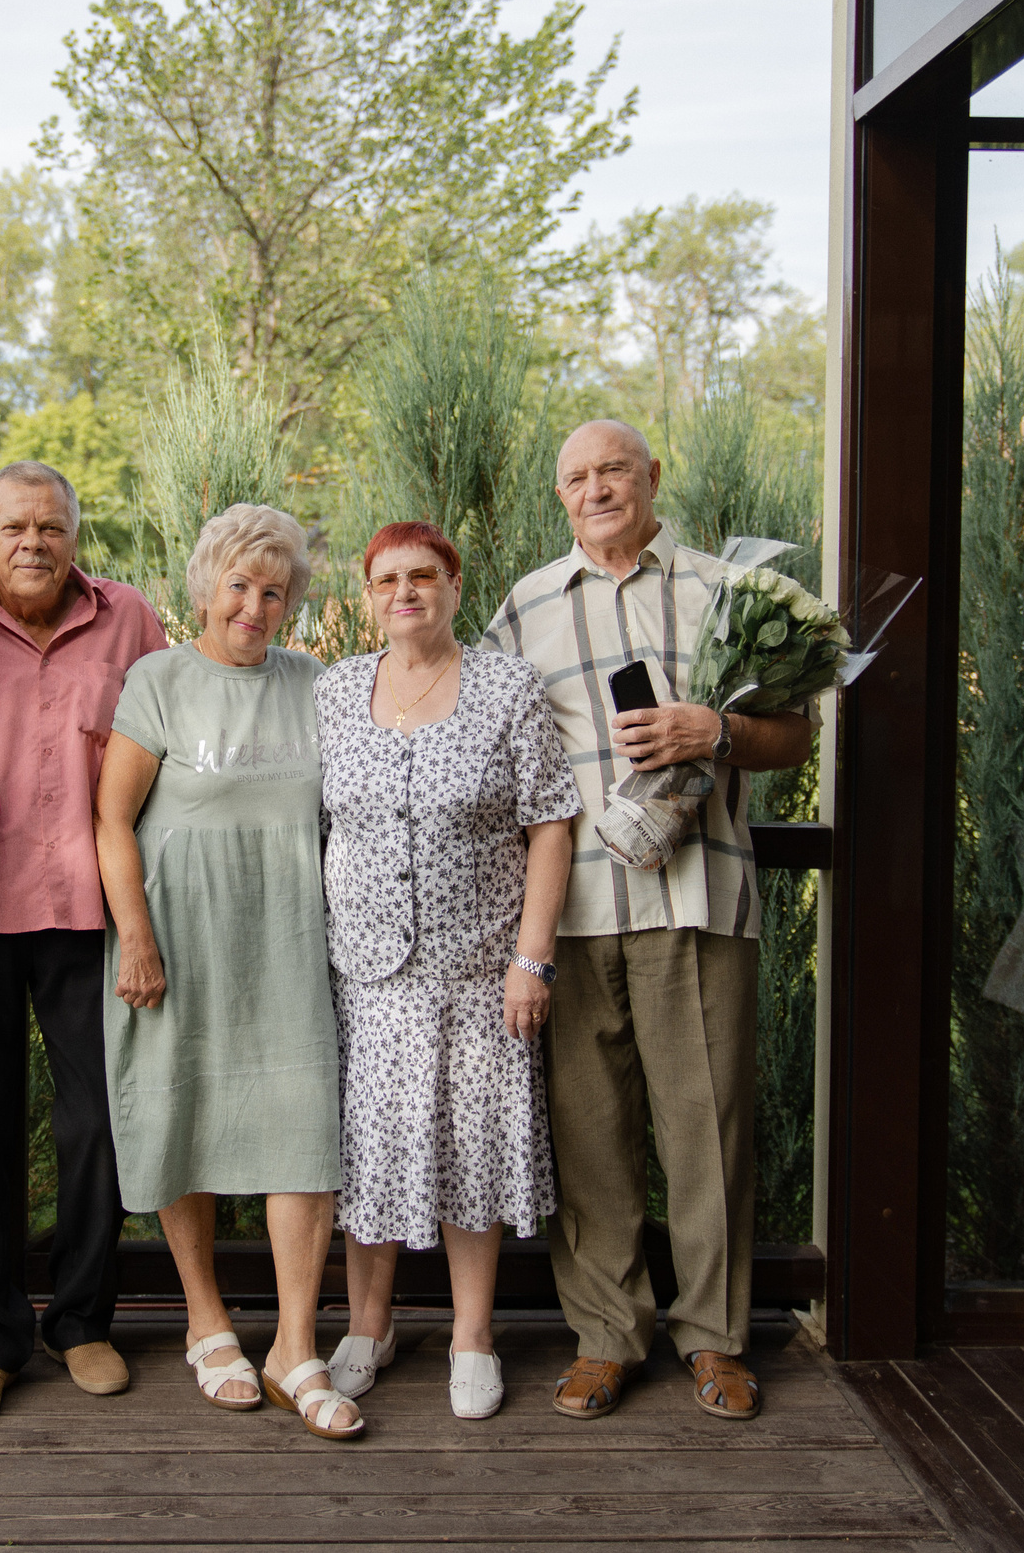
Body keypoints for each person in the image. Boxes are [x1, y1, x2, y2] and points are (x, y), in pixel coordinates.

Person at [479, 419, 816, 1424]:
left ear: (651, 477)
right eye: (576, 476)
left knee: (706, 1129)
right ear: (561, 495)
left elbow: (794, 734)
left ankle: (714, 1337)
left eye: (613, 470)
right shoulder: (524, 607)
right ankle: (606, 1335)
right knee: (589, 1136)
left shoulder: (728, 591)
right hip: (572, 910)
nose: (596, 488)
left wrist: (713, 728)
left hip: (697, 896)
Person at [93, 504, 355, 1440]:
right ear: (206, 587)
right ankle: (206, 1321)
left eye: (273, 589)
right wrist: (136, 935)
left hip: (289, 939)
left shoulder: (318, 685)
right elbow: (112, 817)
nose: (254, 604)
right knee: (181, 1112)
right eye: (238, 584)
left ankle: (294, 1342)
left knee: (302, 1130)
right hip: (177, 938)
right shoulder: (158, 679)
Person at [0, 461, 167, 1427]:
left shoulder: (128, 617)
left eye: (52, 527)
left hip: (88, 908)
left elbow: (163, 740)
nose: (34, 542)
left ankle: (82, 1321)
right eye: (16, 527)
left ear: (75, 532)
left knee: (99, 1119)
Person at [316, 523, 580, 1421]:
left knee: (475, 1150)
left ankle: (473, 1335)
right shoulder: (337, 690)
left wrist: (530, 958)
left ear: (457, 585)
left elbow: (550, 822)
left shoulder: (507, 687)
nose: (405, 592)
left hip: (480, 973)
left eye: (422, 575)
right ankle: (369, 1324)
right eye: (386, 578)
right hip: (369, 975)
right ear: (368, 596)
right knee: (373, 1152)